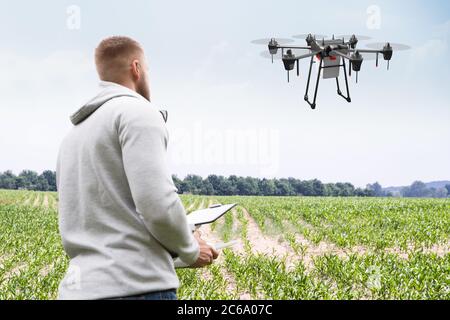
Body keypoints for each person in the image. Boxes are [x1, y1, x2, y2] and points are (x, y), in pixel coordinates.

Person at [56, 36, 218, 300]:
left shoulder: (73, 136)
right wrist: (190, 248)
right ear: (136, 68)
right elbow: (157, 203)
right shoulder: (138, 113)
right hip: (135, 289)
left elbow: (110, 218)